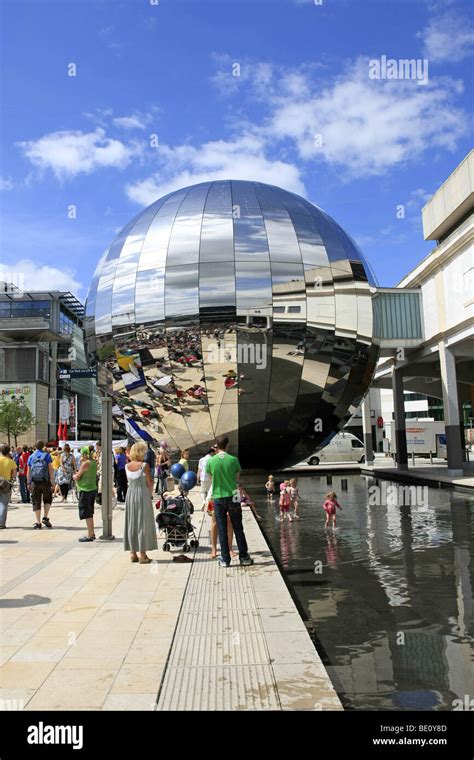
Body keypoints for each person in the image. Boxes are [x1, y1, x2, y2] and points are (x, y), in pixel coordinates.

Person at [206, 435, 253, 568]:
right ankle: (244, 557)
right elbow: (237, 477)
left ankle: (225, 559)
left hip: (218, 497)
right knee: (238, 527)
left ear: (217, 445)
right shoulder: (233, 460)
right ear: (227, 445)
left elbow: (210, 476)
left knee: (222, 528)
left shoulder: (211, 461)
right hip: (233, 495)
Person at [123, 441, 157, 564]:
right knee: (142, 522)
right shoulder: (144, 465)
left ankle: (133, 553)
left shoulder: (127, 466)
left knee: (131, 521)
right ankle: (142, 554)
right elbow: (150, 483)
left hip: (130, 495)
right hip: (142, 495)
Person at [27, 440, 55, 529]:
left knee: (36, 500)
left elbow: (29, 472)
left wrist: (28, 482)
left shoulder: (31, 457)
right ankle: (45, 517)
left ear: (35, 446)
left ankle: (38, 522)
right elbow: (50, 470)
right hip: (45, 481)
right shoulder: (47, 456)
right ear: (43, 446)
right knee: (47, 499)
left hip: (35, 482)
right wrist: (53, 482)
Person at [73, 446, 97, 542]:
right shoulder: (94, 462)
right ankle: (92, 532)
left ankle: (90, 534)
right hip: (92, 488)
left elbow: (78, 476)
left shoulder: (86, 463)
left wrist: (74, 476)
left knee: (87, 513)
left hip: (85, 489)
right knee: (90, 512)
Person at [0, 445, 17, 528]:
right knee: (3, 504)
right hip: (6, 484)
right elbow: (14, 475)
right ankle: (1, 523)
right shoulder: (11, 461)